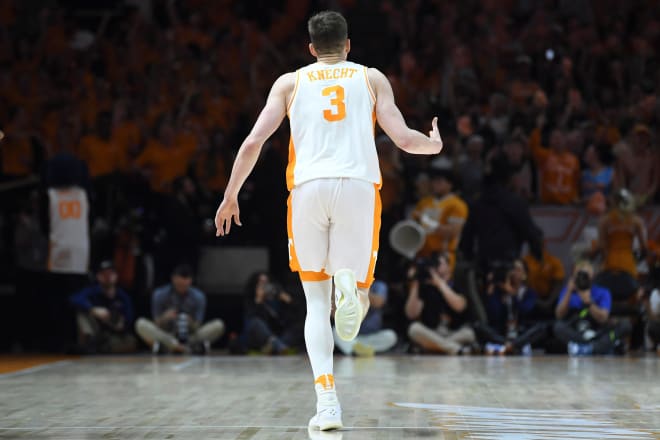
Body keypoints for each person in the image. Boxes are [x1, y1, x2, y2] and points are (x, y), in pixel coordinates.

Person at [214, 11, 442, 431]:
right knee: (356, 293)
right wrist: (433, 144)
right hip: (357, 186)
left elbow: (252, 143)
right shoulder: (372, 78)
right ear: (349, 45)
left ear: (312, 49)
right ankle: (352, 290)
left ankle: (328, 402)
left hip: (307, 190)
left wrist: (230, 196)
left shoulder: (289, 82)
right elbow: (405, 139)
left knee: (314, 303)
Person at [135, 264, 225, 354]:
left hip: (190, 336)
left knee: (218, 325)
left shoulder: (199, 297)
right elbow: (156, 323)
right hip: (167, 334)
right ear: (173, 279)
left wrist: (190, 322)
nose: (181, 288)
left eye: (184, 285)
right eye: (179, 285)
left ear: (190, 281)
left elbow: (198, 325)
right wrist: (165, 318)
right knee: (140, 324)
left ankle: (174, 347)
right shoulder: (159, 295)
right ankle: (178, 346)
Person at [553, 261, 631, 355]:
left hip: (598, 330)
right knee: (558, 326)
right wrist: (569, 292)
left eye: (586, 275)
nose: (582, 279)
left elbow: (603, 318)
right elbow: (559, 315)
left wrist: (588, 302)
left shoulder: (602, 292)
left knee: (625, 324)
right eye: (579, 275)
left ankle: (588, 348)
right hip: (576, 330)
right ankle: (598, 347)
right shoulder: (568, 291)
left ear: (592, 276)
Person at [473, 259, 549, 355]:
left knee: (541, 328)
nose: (514, 272)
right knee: (478, 326)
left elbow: (524, 310)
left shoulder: (530, 293)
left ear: (524, 275)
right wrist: (493, 293)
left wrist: (512, 294)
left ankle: (511, 346)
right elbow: (493, 315)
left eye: (518, 269)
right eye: (512, 269)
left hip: (520, 332)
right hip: (502, 333)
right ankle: (508, 345)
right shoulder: (499, 291)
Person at [406, 252, 476, 355]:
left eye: (440, 263)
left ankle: (434, 347)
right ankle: (453, 348)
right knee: (414, 329)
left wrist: (440, 283)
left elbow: (460, 307)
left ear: (448, 267)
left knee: (469, 333)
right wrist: (416, 283)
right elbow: (411, 314)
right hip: (431, 332)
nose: (436, 267)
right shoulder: (425, 287)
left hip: (453, 332)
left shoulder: (455, 285)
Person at [593, 188, 647, 304]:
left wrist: (589, 255)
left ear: (613, 202)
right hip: (629, 266)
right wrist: (637, 259)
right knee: (637, 289)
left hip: (609, 265)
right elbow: (644, 248)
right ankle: (636, 317)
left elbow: (601, 247)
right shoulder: (636, 221)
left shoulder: (605, 220)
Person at [69, 260, 137, 354]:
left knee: (129, 343)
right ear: (98, 276)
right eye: (104, 274)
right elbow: (74, 299)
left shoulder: (122, 296)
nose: (108, 276)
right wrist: (93, 309)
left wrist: (121, 324)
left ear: (116, 275)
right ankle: (86, 346)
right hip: (96, 331)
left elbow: (129, 318)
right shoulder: (93, 291)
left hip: (114, 334)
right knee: (81, 313)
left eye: (110, 273)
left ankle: (101, 348)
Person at [410, 168, 468, 275]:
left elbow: (453, 231)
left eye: (440, 181)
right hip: (420, 253)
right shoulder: (424, 202)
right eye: (434, 181)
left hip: (442, 255)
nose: (435, 184)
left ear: (450, 184)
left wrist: (427, 222)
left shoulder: (457, 205)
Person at [239, 271, 305, 354]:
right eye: (261, 284)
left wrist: (286, 299)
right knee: (255, 323)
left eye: (266, 283)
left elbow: (296, 314)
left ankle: (274, 346)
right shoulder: (252, 300)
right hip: (261, 335)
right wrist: (259, 300)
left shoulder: (277, 298)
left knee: (299, 327)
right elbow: (251, 318)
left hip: (278, 334)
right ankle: (278, 346)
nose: (265, 287)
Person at [333, 279, 398, 356]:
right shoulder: (345, 284)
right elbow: (334, 314)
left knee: (391, 336)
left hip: (372, 337)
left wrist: (359, 289)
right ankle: (355, 348)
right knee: (336, 331)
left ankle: (359, 349)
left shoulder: (379, 285)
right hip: (351, 336)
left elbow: (378, 302)